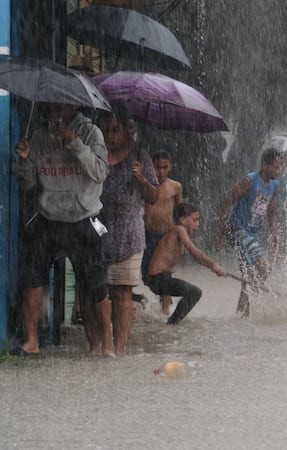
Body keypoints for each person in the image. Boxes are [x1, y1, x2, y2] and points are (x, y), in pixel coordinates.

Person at [13, 102, 110, 357]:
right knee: (31, 276)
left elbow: (100, 172)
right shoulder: (39, 136)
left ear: (71, 105)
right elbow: (28, 183)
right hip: (49, 217)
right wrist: (23, 162)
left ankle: (104, 346)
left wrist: (73, 141)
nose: (53, 109)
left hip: (84, 217)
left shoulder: (92, 133)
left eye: (59, 104)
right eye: (50, 105)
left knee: (94, 285)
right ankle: (31, 341)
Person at [98, 103, 159, 356]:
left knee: (123, 292)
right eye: (107, 131)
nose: (111, 136)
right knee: (99, 292)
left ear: (126, 131)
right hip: (99, 230)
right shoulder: (96, 153)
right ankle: (104, 344)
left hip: (129, 233)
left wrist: (142, 179)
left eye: (115, 130)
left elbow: (154, 196)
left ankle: (119, 348)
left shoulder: (140, 156)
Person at [214, 147, 282, 317]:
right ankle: (250, 299)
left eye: (281, 167)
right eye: (275, 167)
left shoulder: (274, 185)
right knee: (262, 268)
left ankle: (241, 315)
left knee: (248, 275)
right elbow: (227, 203)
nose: (278, 171)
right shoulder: (249, 181)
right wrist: (219, 234)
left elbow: (272, 214)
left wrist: (276, 235)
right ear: (264, 165)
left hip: (251, 234)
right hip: (237, 229)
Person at [145, 203, 227, 324]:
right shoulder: (179, 229)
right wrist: (214, 266)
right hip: (158, 279)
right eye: (194, 220)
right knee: (195, 292)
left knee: (191, 292)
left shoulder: (177, 232)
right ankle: (172, 324)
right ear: (182, 220)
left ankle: (169, 320)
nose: (197, 224)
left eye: (199, 220)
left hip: (161, 278)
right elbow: (194, 253)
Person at [142, 150, 183, 315]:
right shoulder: (146, 185)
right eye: (157, 167)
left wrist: (181, 238)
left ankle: (166, 311)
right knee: (147, 276)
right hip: (147, 234)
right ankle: (160, 296)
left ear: (170, 168)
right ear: (151, 167)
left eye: (164, 167)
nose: (160, 171)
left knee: (165, 273)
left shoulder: (175, 187)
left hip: (166, 236)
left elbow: (180, 213)